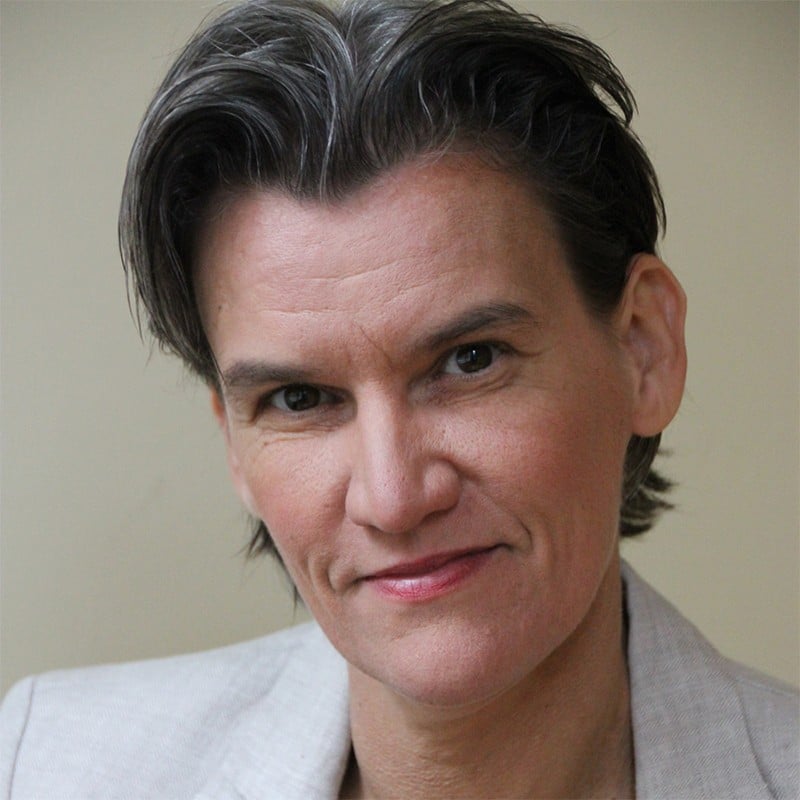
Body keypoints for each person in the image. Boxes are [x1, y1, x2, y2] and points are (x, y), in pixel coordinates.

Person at [0, 0, 797, 797]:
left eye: (470, 361)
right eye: (300, 398)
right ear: (234, 444)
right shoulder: (47, 764)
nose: (394, 499)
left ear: (643, 351)